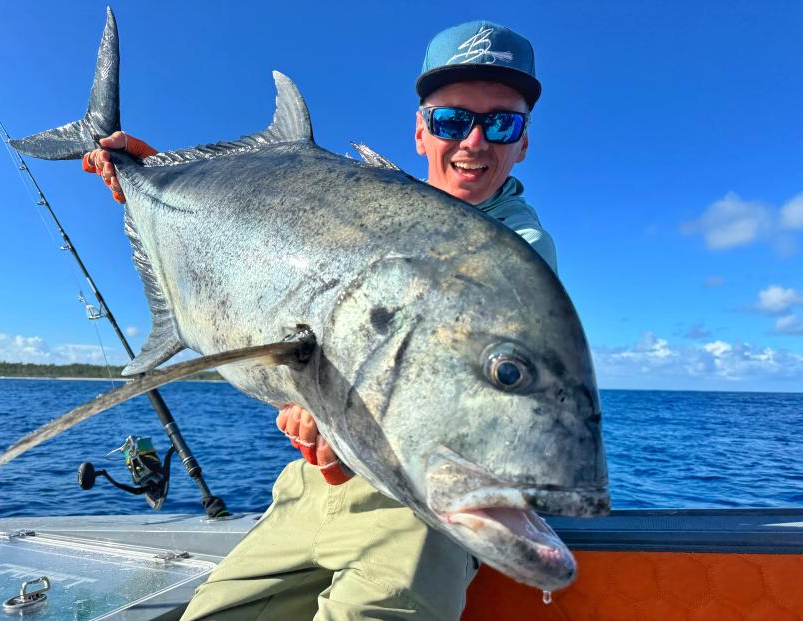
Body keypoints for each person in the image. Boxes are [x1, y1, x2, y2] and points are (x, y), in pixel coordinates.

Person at [84, 20, 556, 621]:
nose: (475, 141)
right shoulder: (365, 209)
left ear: (523, 140)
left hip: (419, 513)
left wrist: (324, 398)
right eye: (451, 120)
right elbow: (253, 261)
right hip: (307, 488)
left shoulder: (518, 249)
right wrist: (154, 178)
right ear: (420, 131)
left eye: (502, 122)